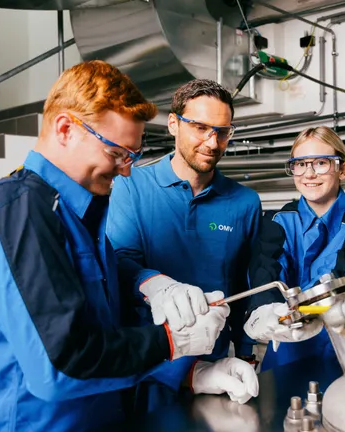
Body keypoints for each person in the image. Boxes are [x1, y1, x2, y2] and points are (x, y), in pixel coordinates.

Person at [0, 61, 232, 431]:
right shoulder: (20, 213)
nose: (126, 170)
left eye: (132, 156)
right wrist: (172, 342)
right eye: (117, 153)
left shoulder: (76, 214)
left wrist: (186, 365)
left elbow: (103, 323)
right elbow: (63, 364)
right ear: (66, 129)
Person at [107, 79, 261, 409]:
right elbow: (120, 262)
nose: (212, 141)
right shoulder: (131, 186)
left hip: (215, 367)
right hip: (148, 367)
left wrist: (246, 352)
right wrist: (158, 287)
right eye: (201, 127)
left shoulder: (245, 202)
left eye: (222, 131)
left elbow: (243, 281)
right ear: (174, 124)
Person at [244, 126, 345, 371]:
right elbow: (266, 269)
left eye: (321, 163)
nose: (309, 174)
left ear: (343, 169)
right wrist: (263, 307)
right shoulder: (279, 220)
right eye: (300, 164)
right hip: (287, 349)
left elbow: (339, 278)